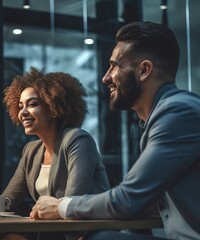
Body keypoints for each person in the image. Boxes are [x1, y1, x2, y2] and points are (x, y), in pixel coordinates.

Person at [30, 21, 200, 240]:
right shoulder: (168, 115)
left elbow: (127, 199)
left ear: (144, 70)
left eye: (115, 66)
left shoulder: (177, 113)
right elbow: (141, 200)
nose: (105, 77)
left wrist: (61, 206)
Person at [1, 67, 110, 240]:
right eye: (20, 106)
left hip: (84, 235)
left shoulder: (78, 140)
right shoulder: (31, 151)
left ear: (53, 107)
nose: (23, 112)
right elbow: (7, 202)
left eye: (32, 104)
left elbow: (72, 202)